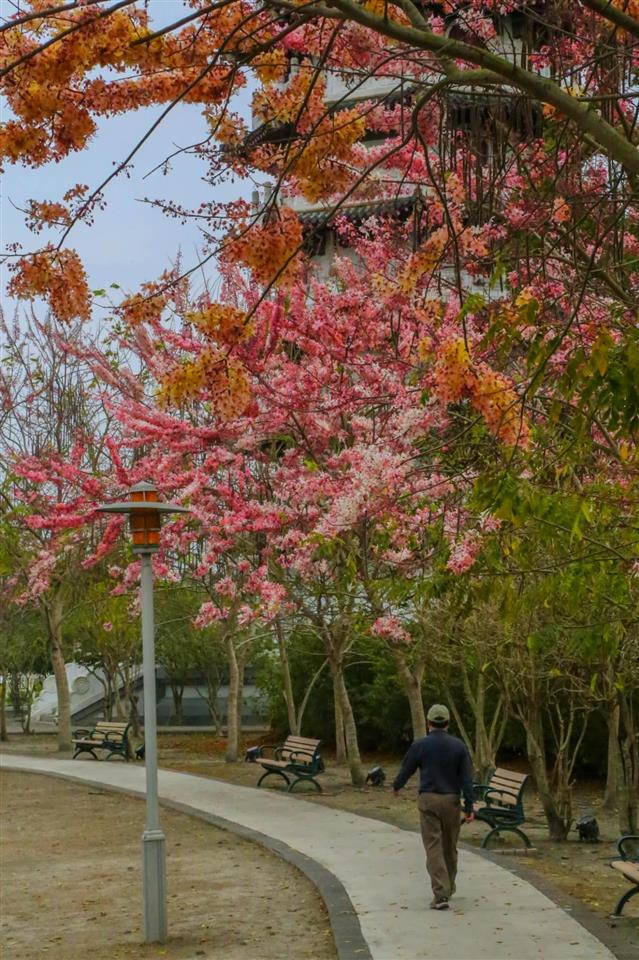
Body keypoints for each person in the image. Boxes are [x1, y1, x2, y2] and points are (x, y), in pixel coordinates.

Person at [393, 703, 474, 910]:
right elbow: (466, 779)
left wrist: (397, 785)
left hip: (428, 799)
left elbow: (407, 768)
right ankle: (450, 886)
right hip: (451, 800)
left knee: (433, 846)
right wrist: (470, 806)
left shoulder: (421, 745)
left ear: (429, 723)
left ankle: (440, 894)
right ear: (447, 723)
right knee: (450, 845)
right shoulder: (459, 747)